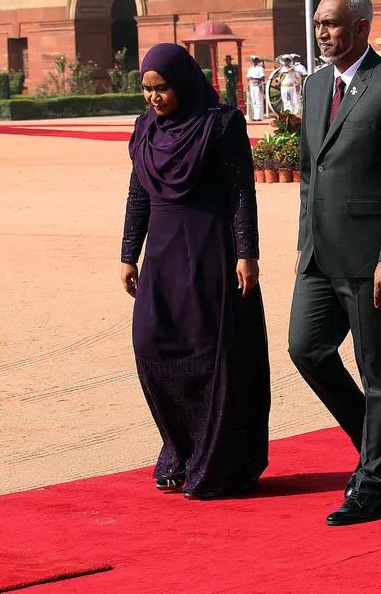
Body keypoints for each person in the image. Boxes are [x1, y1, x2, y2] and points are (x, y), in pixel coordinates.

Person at [289, 0, 381, 526]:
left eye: (332, 23)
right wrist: (305, 241)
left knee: (377, 369)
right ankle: (379, 437)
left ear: (363, 27)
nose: (322, 33)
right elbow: (309, 171)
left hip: (372, 260)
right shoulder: (315, 84)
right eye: (319, 23)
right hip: (320, 256)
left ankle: (372, 485)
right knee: (306, 348)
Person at [121, 43, 270, 500]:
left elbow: (241, 191)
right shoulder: (145, 129)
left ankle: (215, 459)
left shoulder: (220, 124)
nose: (153, 97)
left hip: (211, 251)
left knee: (211, 353)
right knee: (151, 344)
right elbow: (138, 193)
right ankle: (179, 446)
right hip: (162, 256)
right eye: (146, 88)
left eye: (162, 88)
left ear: (183, 84)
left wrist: (246, 252)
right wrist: (129, 254)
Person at [245, 55, 266, 121]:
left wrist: (254, 78)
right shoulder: (250, 69)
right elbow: (248, 78)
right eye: (253, 61)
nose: (254, 62)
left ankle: (259, 117)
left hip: (258, 86)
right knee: (254, 101)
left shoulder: (260, 69)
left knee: (258, 101)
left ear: (257, 61)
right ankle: (255, 116)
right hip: (252, 85)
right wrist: (251, 79)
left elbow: (262, 77)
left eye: (255, 60)